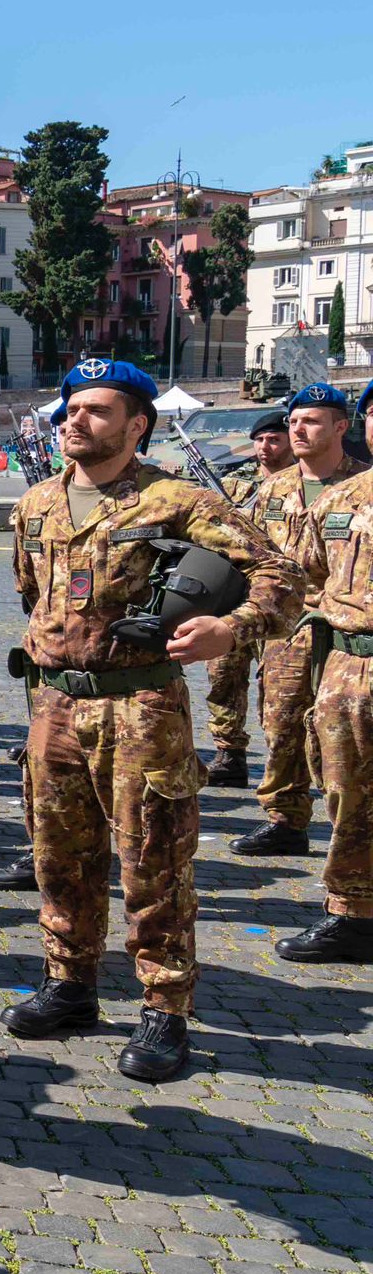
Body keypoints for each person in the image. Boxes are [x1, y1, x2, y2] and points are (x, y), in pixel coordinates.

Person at [0, 359, 297, 1082]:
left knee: (154, 862)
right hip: (54, 705)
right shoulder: (36, 503)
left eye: (97, 410)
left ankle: (165, 1009)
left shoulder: (175, 500)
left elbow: (281, 576)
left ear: (137, 425)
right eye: (70, 407)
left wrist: (233, 628)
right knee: (58, 856)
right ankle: (70, 985)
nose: (76, 419)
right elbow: (31, 591)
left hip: (141, 704)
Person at [231, 384, 366, 858]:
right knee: (281, 719)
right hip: (286, 628)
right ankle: (285, 818)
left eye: (310, 421)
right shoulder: (273, 489)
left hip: (341, 629)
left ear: (340, 427)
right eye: (293, 421)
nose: (298, 429)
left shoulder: (360, 485)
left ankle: (347, 825)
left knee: (339, 732)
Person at [274, 383, 373, 962]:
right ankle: (353, 913)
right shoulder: (341, 499)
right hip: (349, 664)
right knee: (347, 790)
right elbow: (299, 573)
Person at [204, 409, 294, 786]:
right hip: (236, 596)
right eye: (259, 440)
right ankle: (230, 754)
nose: (264, 446)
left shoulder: (303, 485)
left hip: (282, 601)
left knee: (279, 687)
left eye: (273, 439)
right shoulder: (237, 484)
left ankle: (288, 768)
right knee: (223, 676)